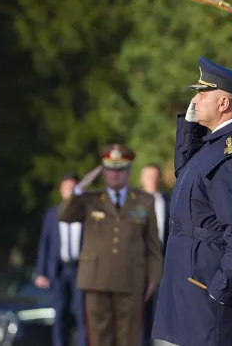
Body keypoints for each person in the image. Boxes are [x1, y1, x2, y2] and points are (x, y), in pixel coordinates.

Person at [152, 57, 232, 346]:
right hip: (192, 291)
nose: (195, 99)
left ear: (223, 104)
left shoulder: (230, 154)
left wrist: (223, 285)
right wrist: (190, 130)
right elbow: (186, 179)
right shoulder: (212, 146)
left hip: (210, 295)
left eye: (202, 93)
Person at [59, 145, 163, 346]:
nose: (115, 175)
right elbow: (64, 215)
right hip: (96, 280)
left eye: (120, 170)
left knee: (128, 338)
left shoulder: (143, 201)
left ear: (128, 171)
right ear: (103, 171)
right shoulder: (90, 199)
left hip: (131, 279)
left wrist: (153, 278)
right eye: (110, 169)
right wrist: (81, 187)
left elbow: (153, 245)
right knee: (99, 338)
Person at [35, 174, 87, 346]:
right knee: (60, 314)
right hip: (60, 270)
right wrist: (41, 272)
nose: (70, 192)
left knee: (82, 315)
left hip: (81, 270)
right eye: (67, 189)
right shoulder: (52, 213)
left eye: (74, 189)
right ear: (61, 190)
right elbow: (45, 242)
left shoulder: (86, 213)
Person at [138, 164, 169, 346]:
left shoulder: (168, 201)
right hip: (139, 265)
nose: (152, 180)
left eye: (155, 176)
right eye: (149, 176)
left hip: (163, 263)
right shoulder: (132, 201)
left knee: (161, 313)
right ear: (142, 179)